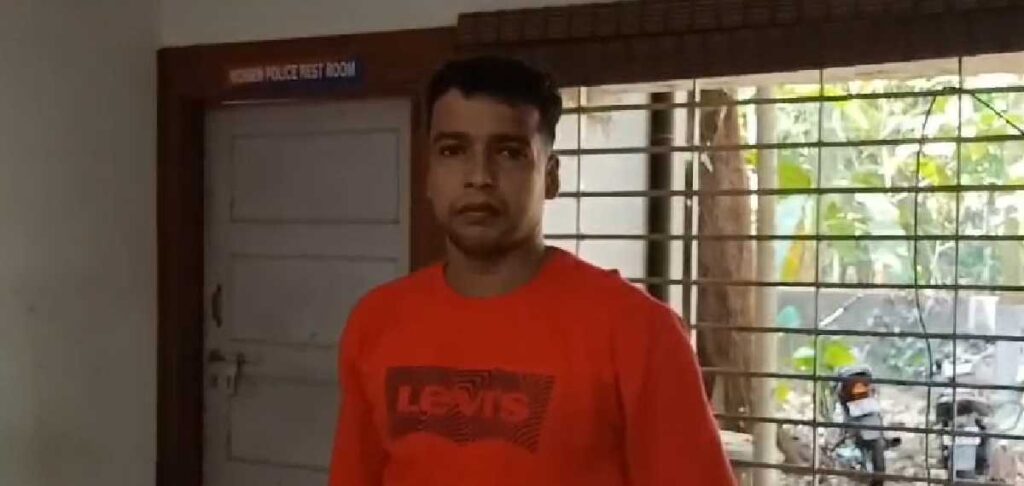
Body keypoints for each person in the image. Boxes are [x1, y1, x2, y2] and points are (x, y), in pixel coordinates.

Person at [329, 55, 736, 486]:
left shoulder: (639, 333)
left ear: (551, 176)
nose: (479, 176)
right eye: (453, 151)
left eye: (509, 152)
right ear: (429, 174)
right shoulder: (377, 321)